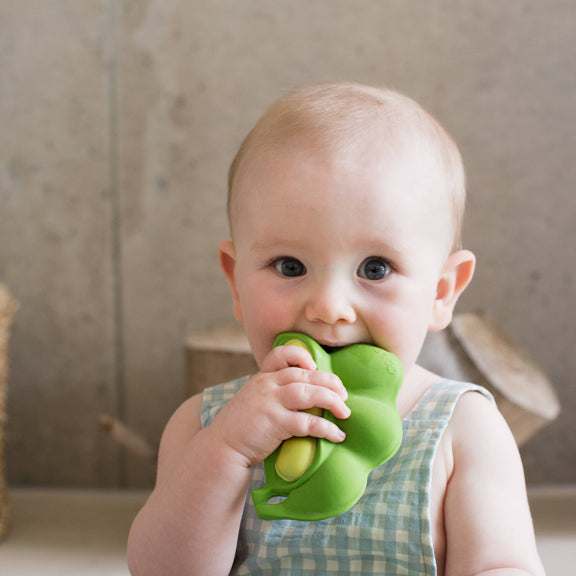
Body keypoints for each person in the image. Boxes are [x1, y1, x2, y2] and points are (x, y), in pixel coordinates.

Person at [127, 82, 544, 575]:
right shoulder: (204, 426)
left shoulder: (463, 428)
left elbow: (503, 565)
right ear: (235, 282)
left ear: (440, 292)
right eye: (288, 266)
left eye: (375, 269)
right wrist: (229, 451)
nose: (328, 308)